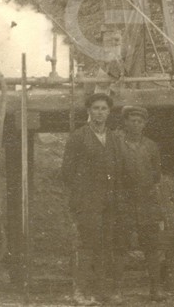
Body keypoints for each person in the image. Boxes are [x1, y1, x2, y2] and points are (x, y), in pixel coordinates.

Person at [61, 92, 127, 306]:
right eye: (96, 108)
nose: (100, 112)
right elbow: (67, 172)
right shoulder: (79, 136)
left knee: (105, 244)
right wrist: (82, 196)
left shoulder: (114, 138)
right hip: (87, 201)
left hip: (109, 202)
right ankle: (80, 291)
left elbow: (119, 170)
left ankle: (100, 291)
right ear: (89, 111)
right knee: (87, 245)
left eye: (104, 108)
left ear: (109, 112)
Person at [119, 105, 166, 302]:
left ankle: (155, 289)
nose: (136, 124)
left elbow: (156, 175)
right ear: (125, 122)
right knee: (120, 245)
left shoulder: (151, 146)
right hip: (124, 202)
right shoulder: (117, 143)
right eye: (132, 120)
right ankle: (117, 289)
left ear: (145, 124)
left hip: (146, 203)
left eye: (140, 121)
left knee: (152, 247)